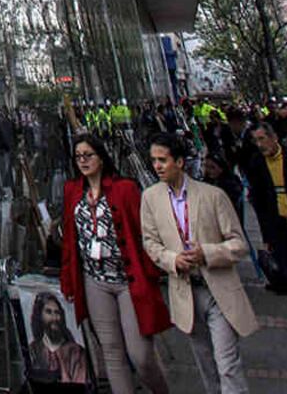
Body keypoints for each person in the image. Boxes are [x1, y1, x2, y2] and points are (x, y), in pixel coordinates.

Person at [140, 133, 257, 394]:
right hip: (186, 291)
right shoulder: (150, 198)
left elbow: (239, 244)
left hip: (217, 289)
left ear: (180, 162)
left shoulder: (212, 195)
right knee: (206, 362)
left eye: (163, 160)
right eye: (154, 160)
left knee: (227, 363)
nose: (157, 166)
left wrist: (208, 253)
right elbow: (150, 243)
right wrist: (172, 259)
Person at [59, 134, 170, 394]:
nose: (83, 161)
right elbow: (70, 240)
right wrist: (68, 279)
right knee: (111, 351)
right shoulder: (72, 190)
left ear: (101, 157)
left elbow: (144, 232)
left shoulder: (125, 189)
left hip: (127, 279)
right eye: (78, 157)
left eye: (88, 155)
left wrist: (155, 268)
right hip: (94, 280)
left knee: (140, 354)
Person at [246, 122, 287, 327]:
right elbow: (259, 201)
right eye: (256, 140)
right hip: (279, 228)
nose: (260, 144)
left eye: (262, 138)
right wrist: (267, 236)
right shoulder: (257, 164)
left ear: (274, 138)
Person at [27, 291, 90, 384]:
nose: (54, 318)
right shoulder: (33, 350)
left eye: (57, 312)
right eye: (48, 312)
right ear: (40, 316)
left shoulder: (76, 352)